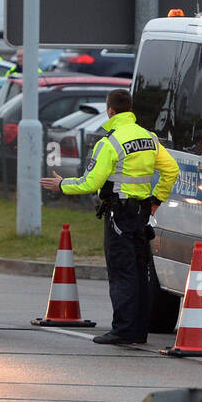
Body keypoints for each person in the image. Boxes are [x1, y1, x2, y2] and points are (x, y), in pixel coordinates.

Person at [39, 88, 178, 345]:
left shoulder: (110, 142)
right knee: (139, 271)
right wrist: (156, 201)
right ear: (130, 108)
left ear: (110, 110)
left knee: (122, 271)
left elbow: (90, 183)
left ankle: (123, 330)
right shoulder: (149, 137)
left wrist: (62, 185)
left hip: (120, 215)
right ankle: (138, 330)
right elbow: (171, 169)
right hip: (142, 214)